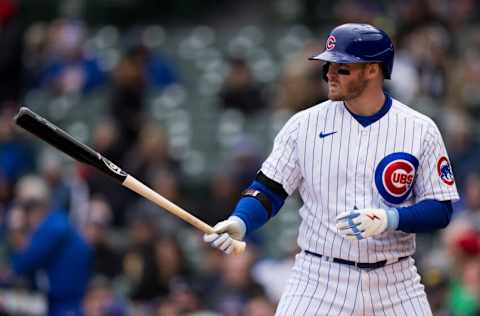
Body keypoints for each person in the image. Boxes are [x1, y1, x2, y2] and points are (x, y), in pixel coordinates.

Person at [203, 23, 459, 315]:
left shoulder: (419, 129)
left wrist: (391, 218)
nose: (329, 75)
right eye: (328, 66)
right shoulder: (303, 125)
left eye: (342, 68)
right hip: (319, 278)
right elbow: (268, 190)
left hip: (396, 281)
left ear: (373, 70)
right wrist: (241, 221)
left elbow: (441, 210)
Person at [7, 175, 93, 316]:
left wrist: (17, 234)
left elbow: (23, 264)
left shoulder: (54, 226)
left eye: (26, 208)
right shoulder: (55, 222)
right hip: (62, 300)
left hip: (67, 303)